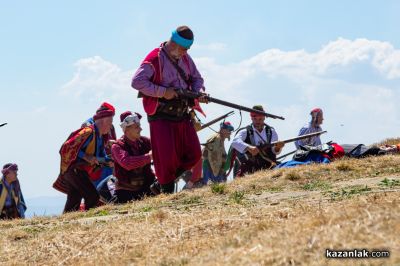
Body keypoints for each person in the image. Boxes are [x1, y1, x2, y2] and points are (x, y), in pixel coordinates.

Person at [131, 25, 206, 193]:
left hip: (182, 114)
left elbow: (197, 79)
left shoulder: (186, 59)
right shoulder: (154, 59)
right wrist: (163, 92)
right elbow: (137, 82)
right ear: (174, 44)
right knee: (166, 159)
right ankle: (166, 191)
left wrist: (197, 92)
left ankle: (162, 184)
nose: (186, 52)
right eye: (184, 48)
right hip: (161, 116)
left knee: (194, 153)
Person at [53, 102, 115, 212]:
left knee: (74, 198)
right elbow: (66, 147)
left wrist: (109, 161)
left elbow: (101, 156)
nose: (111, 126)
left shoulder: (100, 137)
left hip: (80, 171)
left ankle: (68, 222)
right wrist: (85, 156)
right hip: (74, 169)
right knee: (93, 196)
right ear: (103, 120)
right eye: (110, 122)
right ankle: (89, 221)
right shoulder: (88, 131)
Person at [111, 111, 156, 203]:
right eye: (136, 127)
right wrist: (150, 156)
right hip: (126, 192)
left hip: (146, 188)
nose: (140, 129)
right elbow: (127, 163)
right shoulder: (117, 146)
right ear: (126, 130)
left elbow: (161, 150)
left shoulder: (146, 142)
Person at [231, 105, 284, 177]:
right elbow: (235, 142)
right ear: (251, 118)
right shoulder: (245, 131)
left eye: (260, 119)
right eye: (255, 119)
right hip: (250, 171)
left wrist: (278, 147)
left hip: (269, 169)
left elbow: (274, 151)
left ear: (264, 118)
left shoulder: (271, 131)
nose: (258, 121)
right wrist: (249, 148)